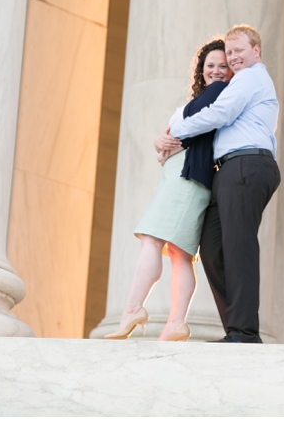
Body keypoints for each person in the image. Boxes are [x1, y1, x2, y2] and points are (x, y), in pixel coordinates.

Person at [104, 39, 232, 342]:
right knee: (178, 254)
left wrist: (164, 143)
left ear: (231, 70)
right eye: (209, 65)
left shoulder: (218, 92)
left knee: (151, 240)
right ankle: (175, 323)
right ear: (201, 70)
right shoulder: (218, 95)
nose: (215, 71)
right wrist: (161, 143)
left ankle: (133, 309)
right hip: (192, 178)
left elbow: (183, 129)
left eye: (222, 66)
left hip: (185, 177)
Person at [163, 24, 280, 343]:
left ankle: (243, 332)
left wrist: (177, 131)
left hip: (247, 163)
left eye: (239, 50)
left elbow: (221, 114)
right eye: (230, 53)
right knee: (213, 247)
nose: (233, 57)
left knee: (238, 246)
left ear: (256, 50)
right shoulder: (240, 81)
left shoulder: (250, 77)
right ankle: (237, 328)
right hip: (229, 169)